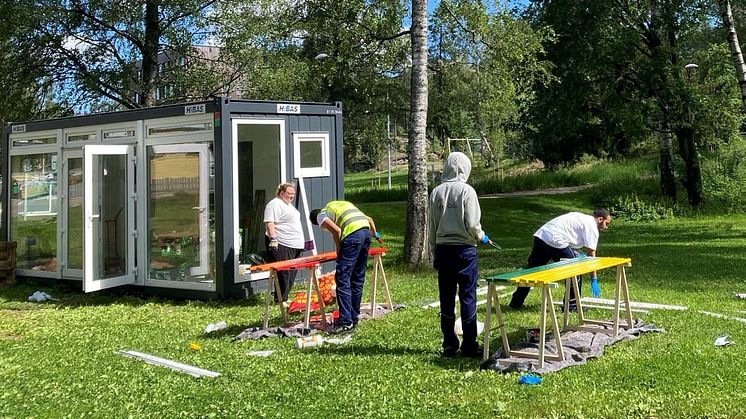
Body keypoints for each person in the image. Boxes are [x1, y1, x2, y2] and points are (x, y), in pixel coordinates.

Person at [428, 152, 495, 358]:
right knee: (467, 296)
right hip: (464, 250)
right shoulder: (467, 191)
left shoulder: (436, 192)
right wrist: (482, 237)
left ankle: (449, 343)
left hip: (443, 249)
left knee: (446, 297)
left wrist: (434, 250)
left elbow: (431, 225)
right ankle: (469, 344)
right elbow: (473, 223)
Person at [508, 208, 613, 309]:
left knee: (532, 271)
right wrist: (594, 279)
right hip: (556, 239)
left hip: (542, 235)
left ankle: (516, 302)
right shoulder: (592, 226)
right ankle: (571, 306)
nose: (606, 227)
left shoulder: (582, 217)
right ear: (600, 219)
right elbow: (591, 255)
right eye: (606, 223)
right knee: (574, 269)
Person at [310, 201, 380, 334]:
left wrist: (339, 250)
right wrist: (374, 234)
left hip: (352, 236)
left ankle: (345, 322)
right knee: (357, 278)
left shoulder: (320, 215)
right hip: (365, 234)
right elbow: (369, 220)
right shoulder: (340, 205)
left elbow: (337, 230)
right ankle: (354, 318)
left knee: (342, 278)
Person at [264, 183, 305, 304]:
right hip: (282, 243)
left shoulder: (289, 206)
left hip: (295, 244)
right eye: (289, 193)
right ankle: (280, 299)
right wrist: (273, 239)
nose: (292, 196)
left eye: (293, 194)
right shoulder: (275, 204)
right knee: (284, 272)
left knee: (292, 273)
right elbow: (269, 222)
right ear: (281, 193)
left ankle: (284, 297)